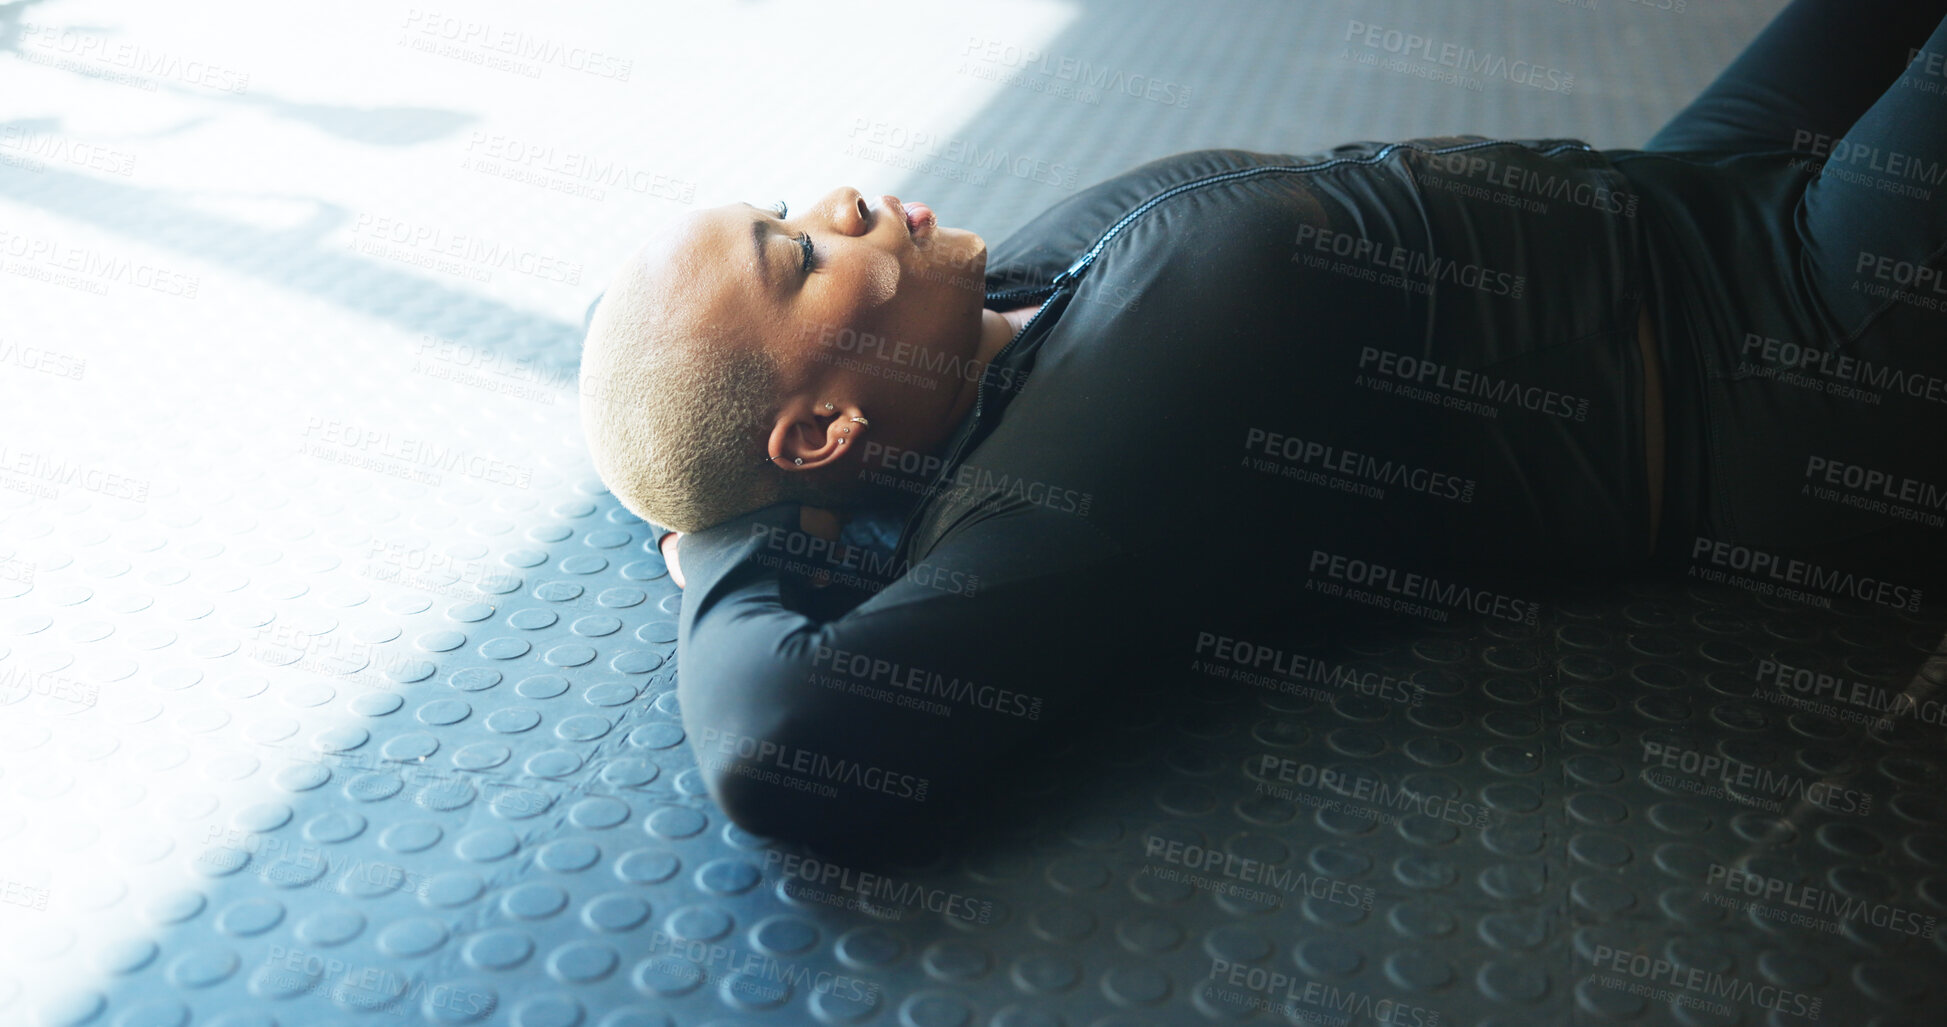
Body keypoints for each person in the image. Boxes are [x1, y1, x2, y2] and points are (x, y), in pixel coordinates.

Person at [578, 0, 1947, 850]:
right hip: (1793, 347)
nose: (842, 203)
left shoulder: (1003, 306)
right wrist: (725, 550)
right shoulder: (1077, 462)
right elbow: (776, 746)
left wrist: (714, 494)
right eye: (799, 259)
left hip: (1685, 199)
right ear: (816, 435)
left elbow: (682, 438)